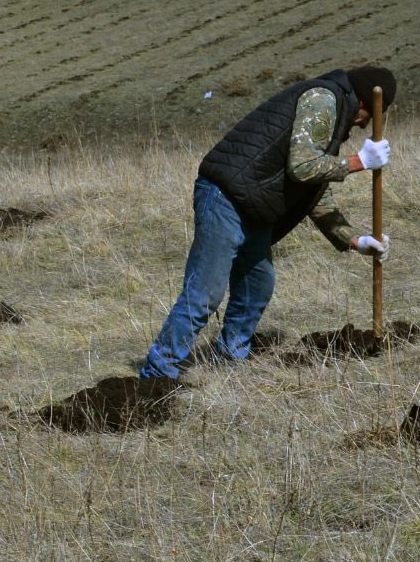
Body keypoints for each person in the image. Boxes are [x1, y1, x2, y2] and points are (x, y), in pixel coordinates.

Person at [140, 66, 396, 380]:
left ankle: (228, 360)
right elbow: (302, 167)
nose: (365, 125)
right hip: (227, 195)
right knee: (205, 294)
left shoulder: (334, 108)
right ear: (364, 106)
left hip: (254, 205)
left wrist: (354, 240)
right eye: (369, 118)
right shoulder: (323, 99)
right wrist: (358, 162)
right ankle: (157, 374)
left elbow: (312, 192)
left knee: (258, 285)